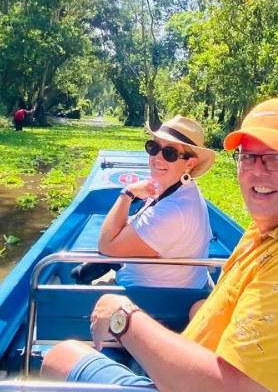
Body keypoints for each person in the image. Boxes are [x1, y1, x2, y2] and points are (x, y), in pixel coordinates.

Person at [41, 99, 278, 392]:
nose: (258, 170)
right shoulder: (275, 228)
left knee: (60, 358)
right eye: (248, 157)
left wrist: (124, 319)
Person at [78, 115, 215, 289]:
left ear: (190, 163)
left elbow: (106, 246)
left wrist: (128, 192)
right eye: (154, 147)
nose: (157, 158)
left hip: (151, 297)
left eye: (170, 153)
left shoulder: (173, 212)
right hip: (179, 285)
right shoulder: (181, 189)